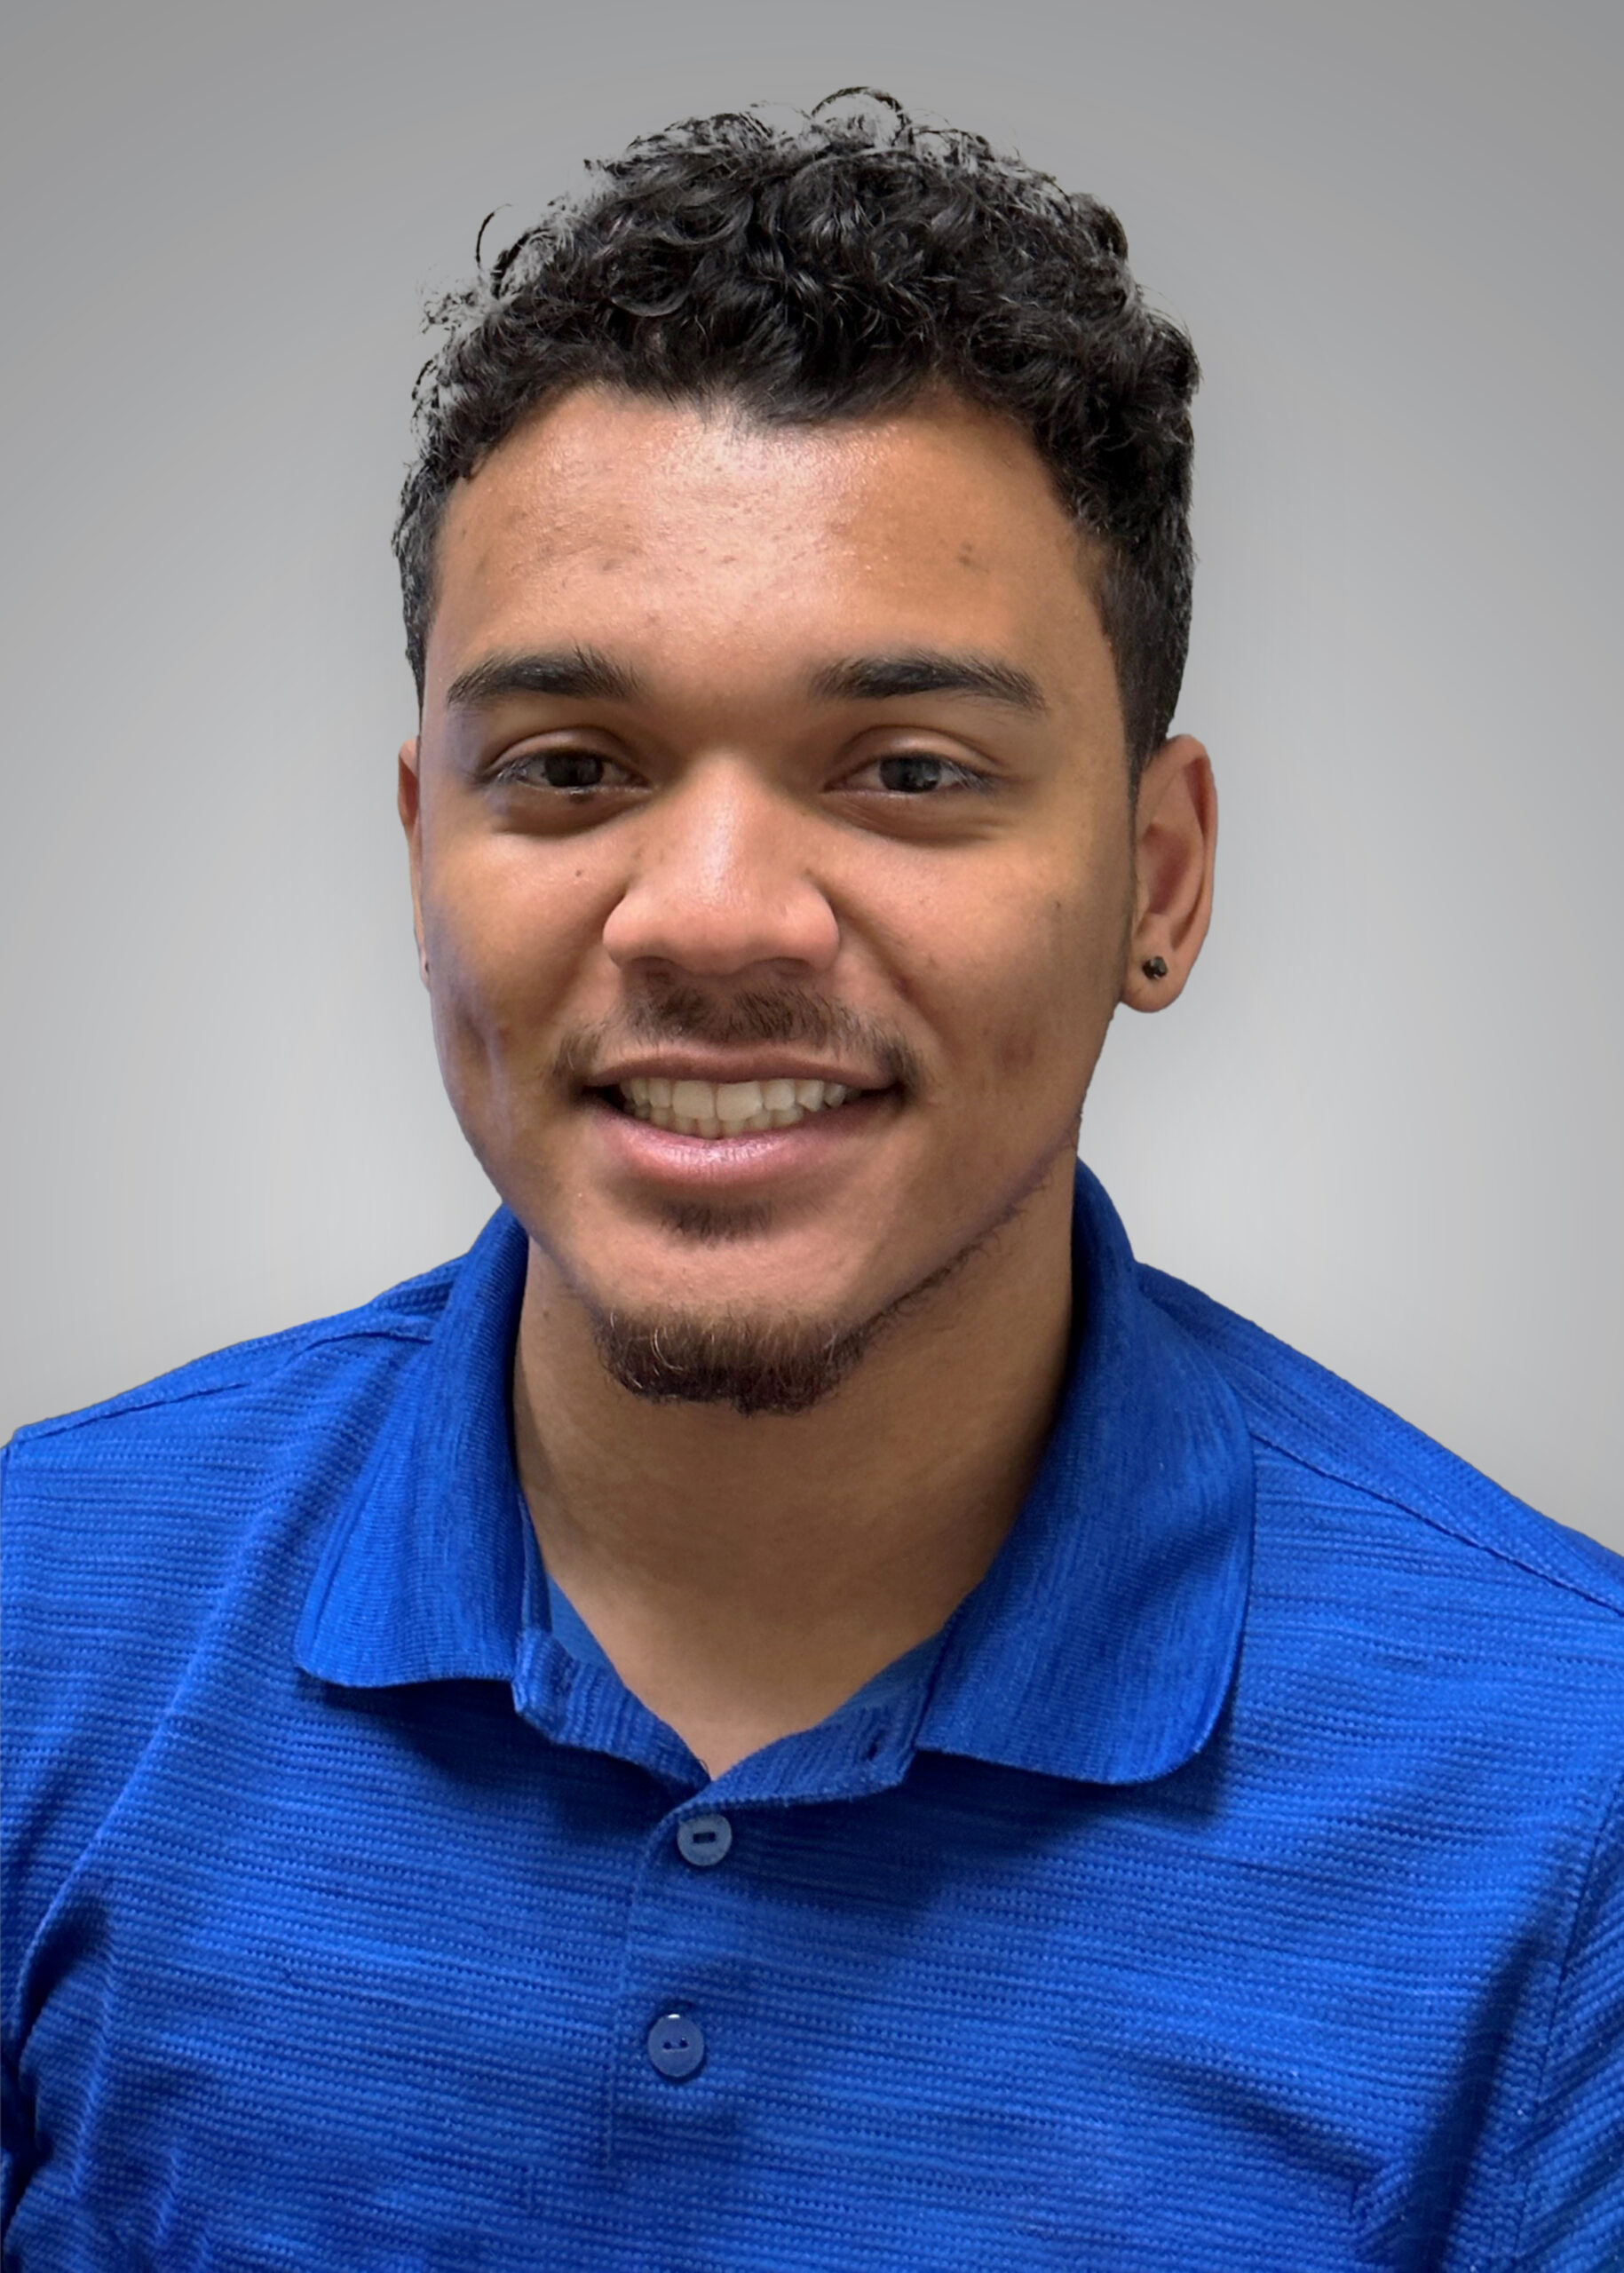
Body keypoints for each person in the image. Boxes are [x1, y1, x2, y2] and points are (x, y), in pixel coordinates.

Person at [3, 90, 1620, 2272]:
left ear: (1156, 881)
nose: (712, 916)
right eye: (571, 767)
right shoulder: (40, 1619)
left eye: (909, 770)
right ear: (421, 852)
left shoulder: (1570, 1807)